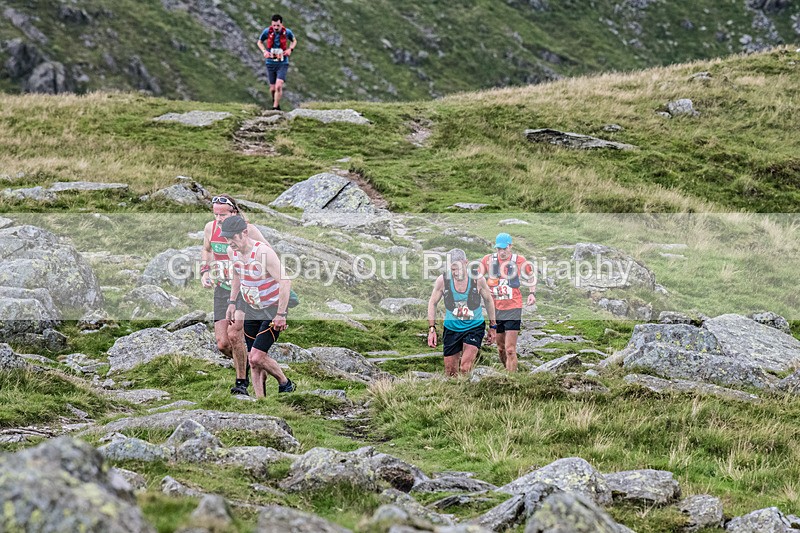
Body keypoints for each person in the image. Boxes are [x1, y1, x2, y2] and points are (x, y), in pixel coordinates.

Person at [200, 195, 268, 396]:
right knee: (222, 343)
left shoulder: (247, 230)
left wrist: (252, 269)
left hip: (244, 289)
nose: (219, 218)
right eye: (215, 214)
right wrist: (205, 271)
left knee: (234, 334)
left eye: (223, 214)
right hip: (222, 288)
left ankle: (241, 383)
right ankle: (254, 363)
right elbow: (206, 250)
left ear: (234, 213)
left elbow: (266, 251)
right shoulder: (210, 228)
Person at [222, 215, 295, 397]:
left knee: (255, 356)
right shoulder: (232, 252)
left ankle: (285, 383)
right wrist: (232, 302)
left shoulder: (263, 253)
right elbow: (237, 275)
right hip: (251, 308)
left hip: (271, 309)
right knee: (253, 361)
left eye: (233, 237)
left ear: (244, 233)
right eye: (227, 238)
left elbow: (285, 281)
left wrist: (281, 314)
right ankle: (261, 402)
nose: (230, 242)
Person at [427, 249, 497, 376]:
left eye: (459, 268)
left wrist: (493, 326)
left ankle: (469, 393)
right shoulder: (443, 280)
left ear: (466, 263)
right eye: (453, 269)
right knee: (450, 373)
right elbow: (432, 303)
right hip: (451, 328)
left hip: (474, 327)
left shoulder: (478, 279)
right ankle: (456, 394)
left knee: (465, 368)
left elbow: (488, 301)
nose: (456, 272)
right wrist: (432, 329)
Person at [480, 233, 537, 372]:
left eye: (504, 248)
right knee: (500, 349)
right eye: (499, 249)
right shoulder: (488, 260)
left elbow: (531, 276)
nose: (502, 252)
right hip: (496, 309)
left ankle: (511, 379)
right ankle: (508, 372)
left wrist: (531, 293)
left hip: (513, 307)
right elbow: (477, 276)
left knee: (510, 349)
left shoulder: (519, 260)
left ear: (510, 246)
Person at [257, 14, 297, 111]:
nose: (275, 27)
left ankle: (275, 108)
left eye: (278, 25)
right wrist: (264, 51)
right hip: (270, 63)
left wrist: (290, 49)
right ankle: (276, 102)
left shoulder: (287, 32)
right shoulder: (267, 31)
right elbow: (259, 42)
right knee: (273, 89)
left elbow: (294, 40)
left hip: (282, 63)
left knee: (279, 85)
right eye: (274, 25)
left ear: (281, 24)